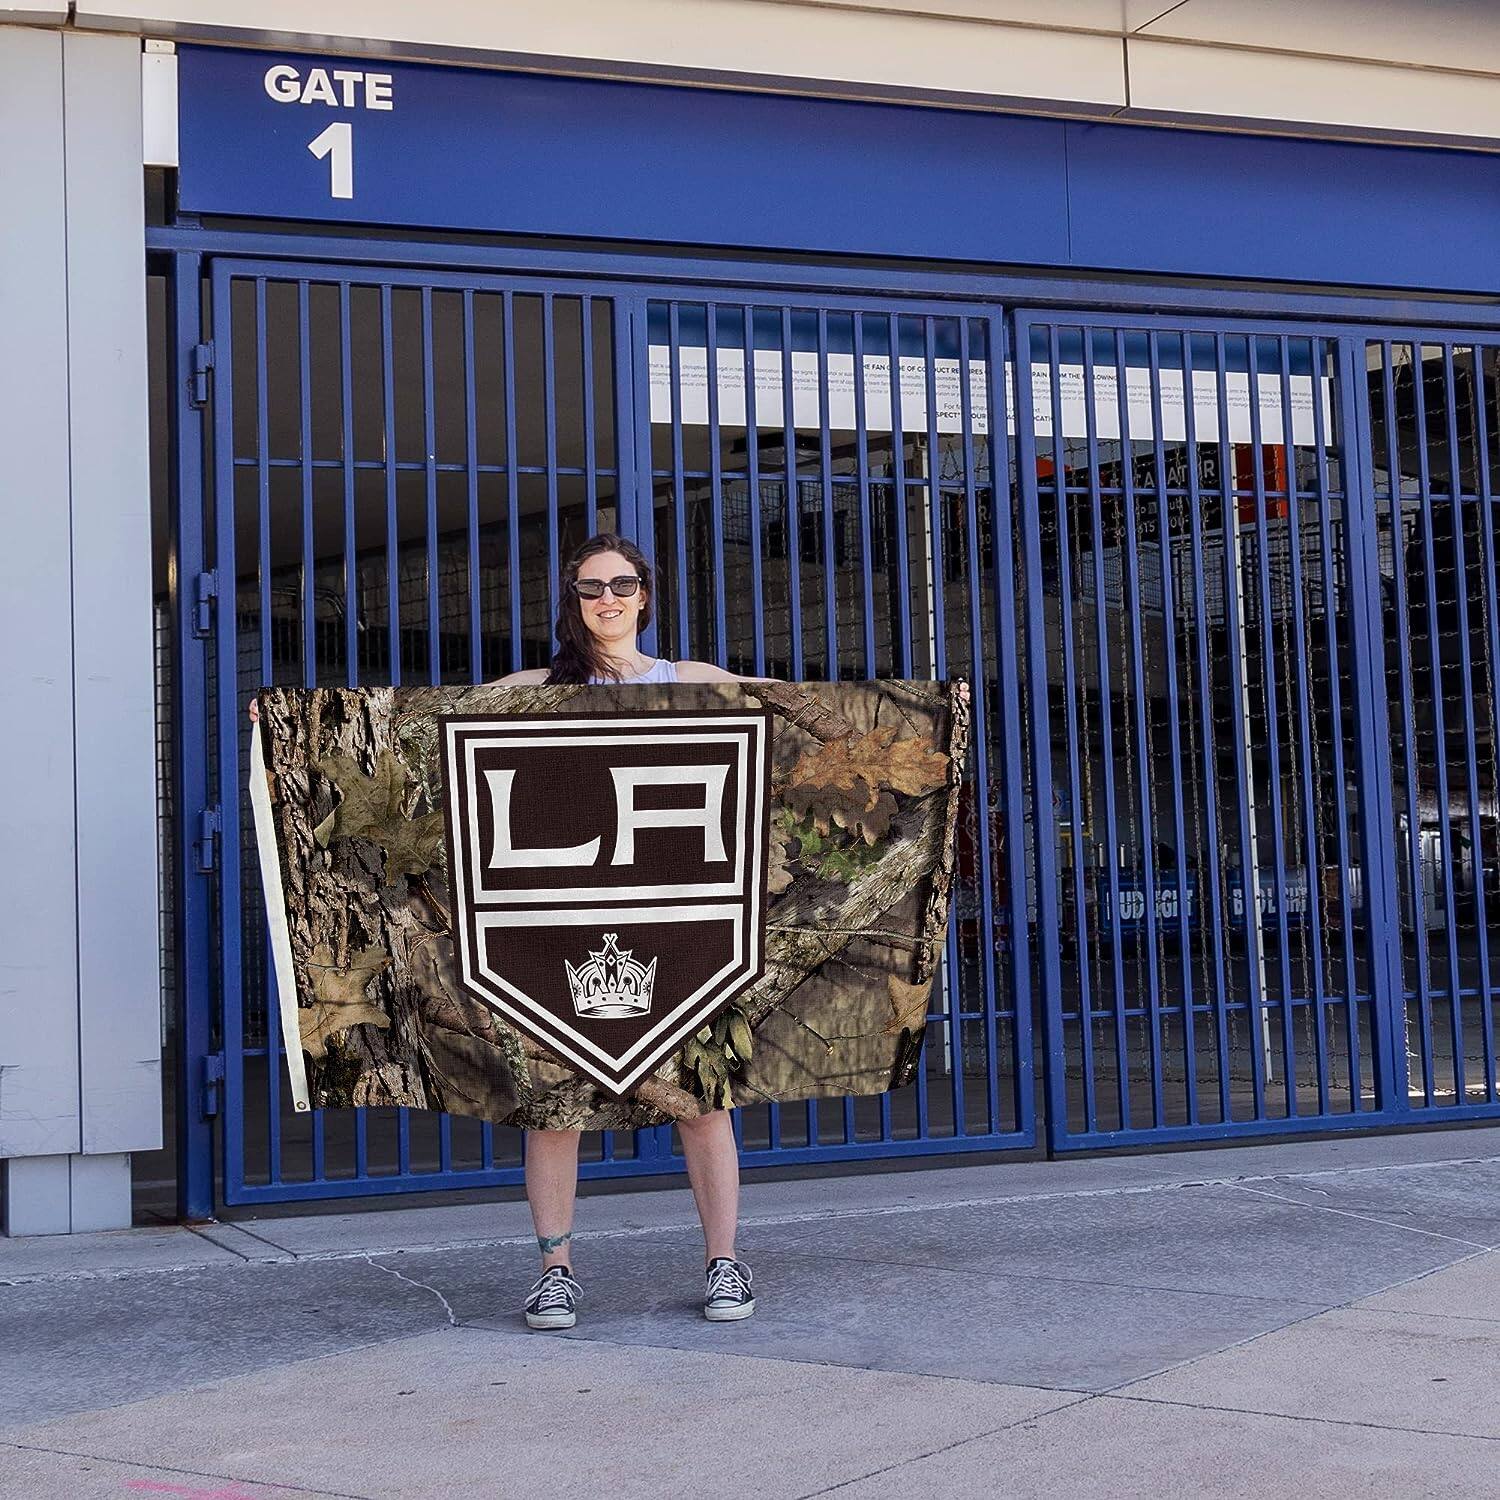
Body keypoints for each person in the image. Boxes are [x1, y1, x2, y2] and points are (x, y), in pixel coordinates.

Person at [492, 532, 770, 1333]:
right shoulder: (542, 687)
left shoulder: (691, 682)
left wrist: (935, 707)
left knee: (701, 1098)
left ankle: (724, 1261)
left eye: (621, 583)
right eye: (590, 587)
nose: (606, 597)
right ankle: (555, 1272)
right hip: (569, 921)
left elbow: (805, 705)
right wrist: (306, 722)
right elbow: (427, 721)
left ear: (645, 594)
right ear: (572, 602)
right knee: (554, 1104)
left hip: (680, 921)